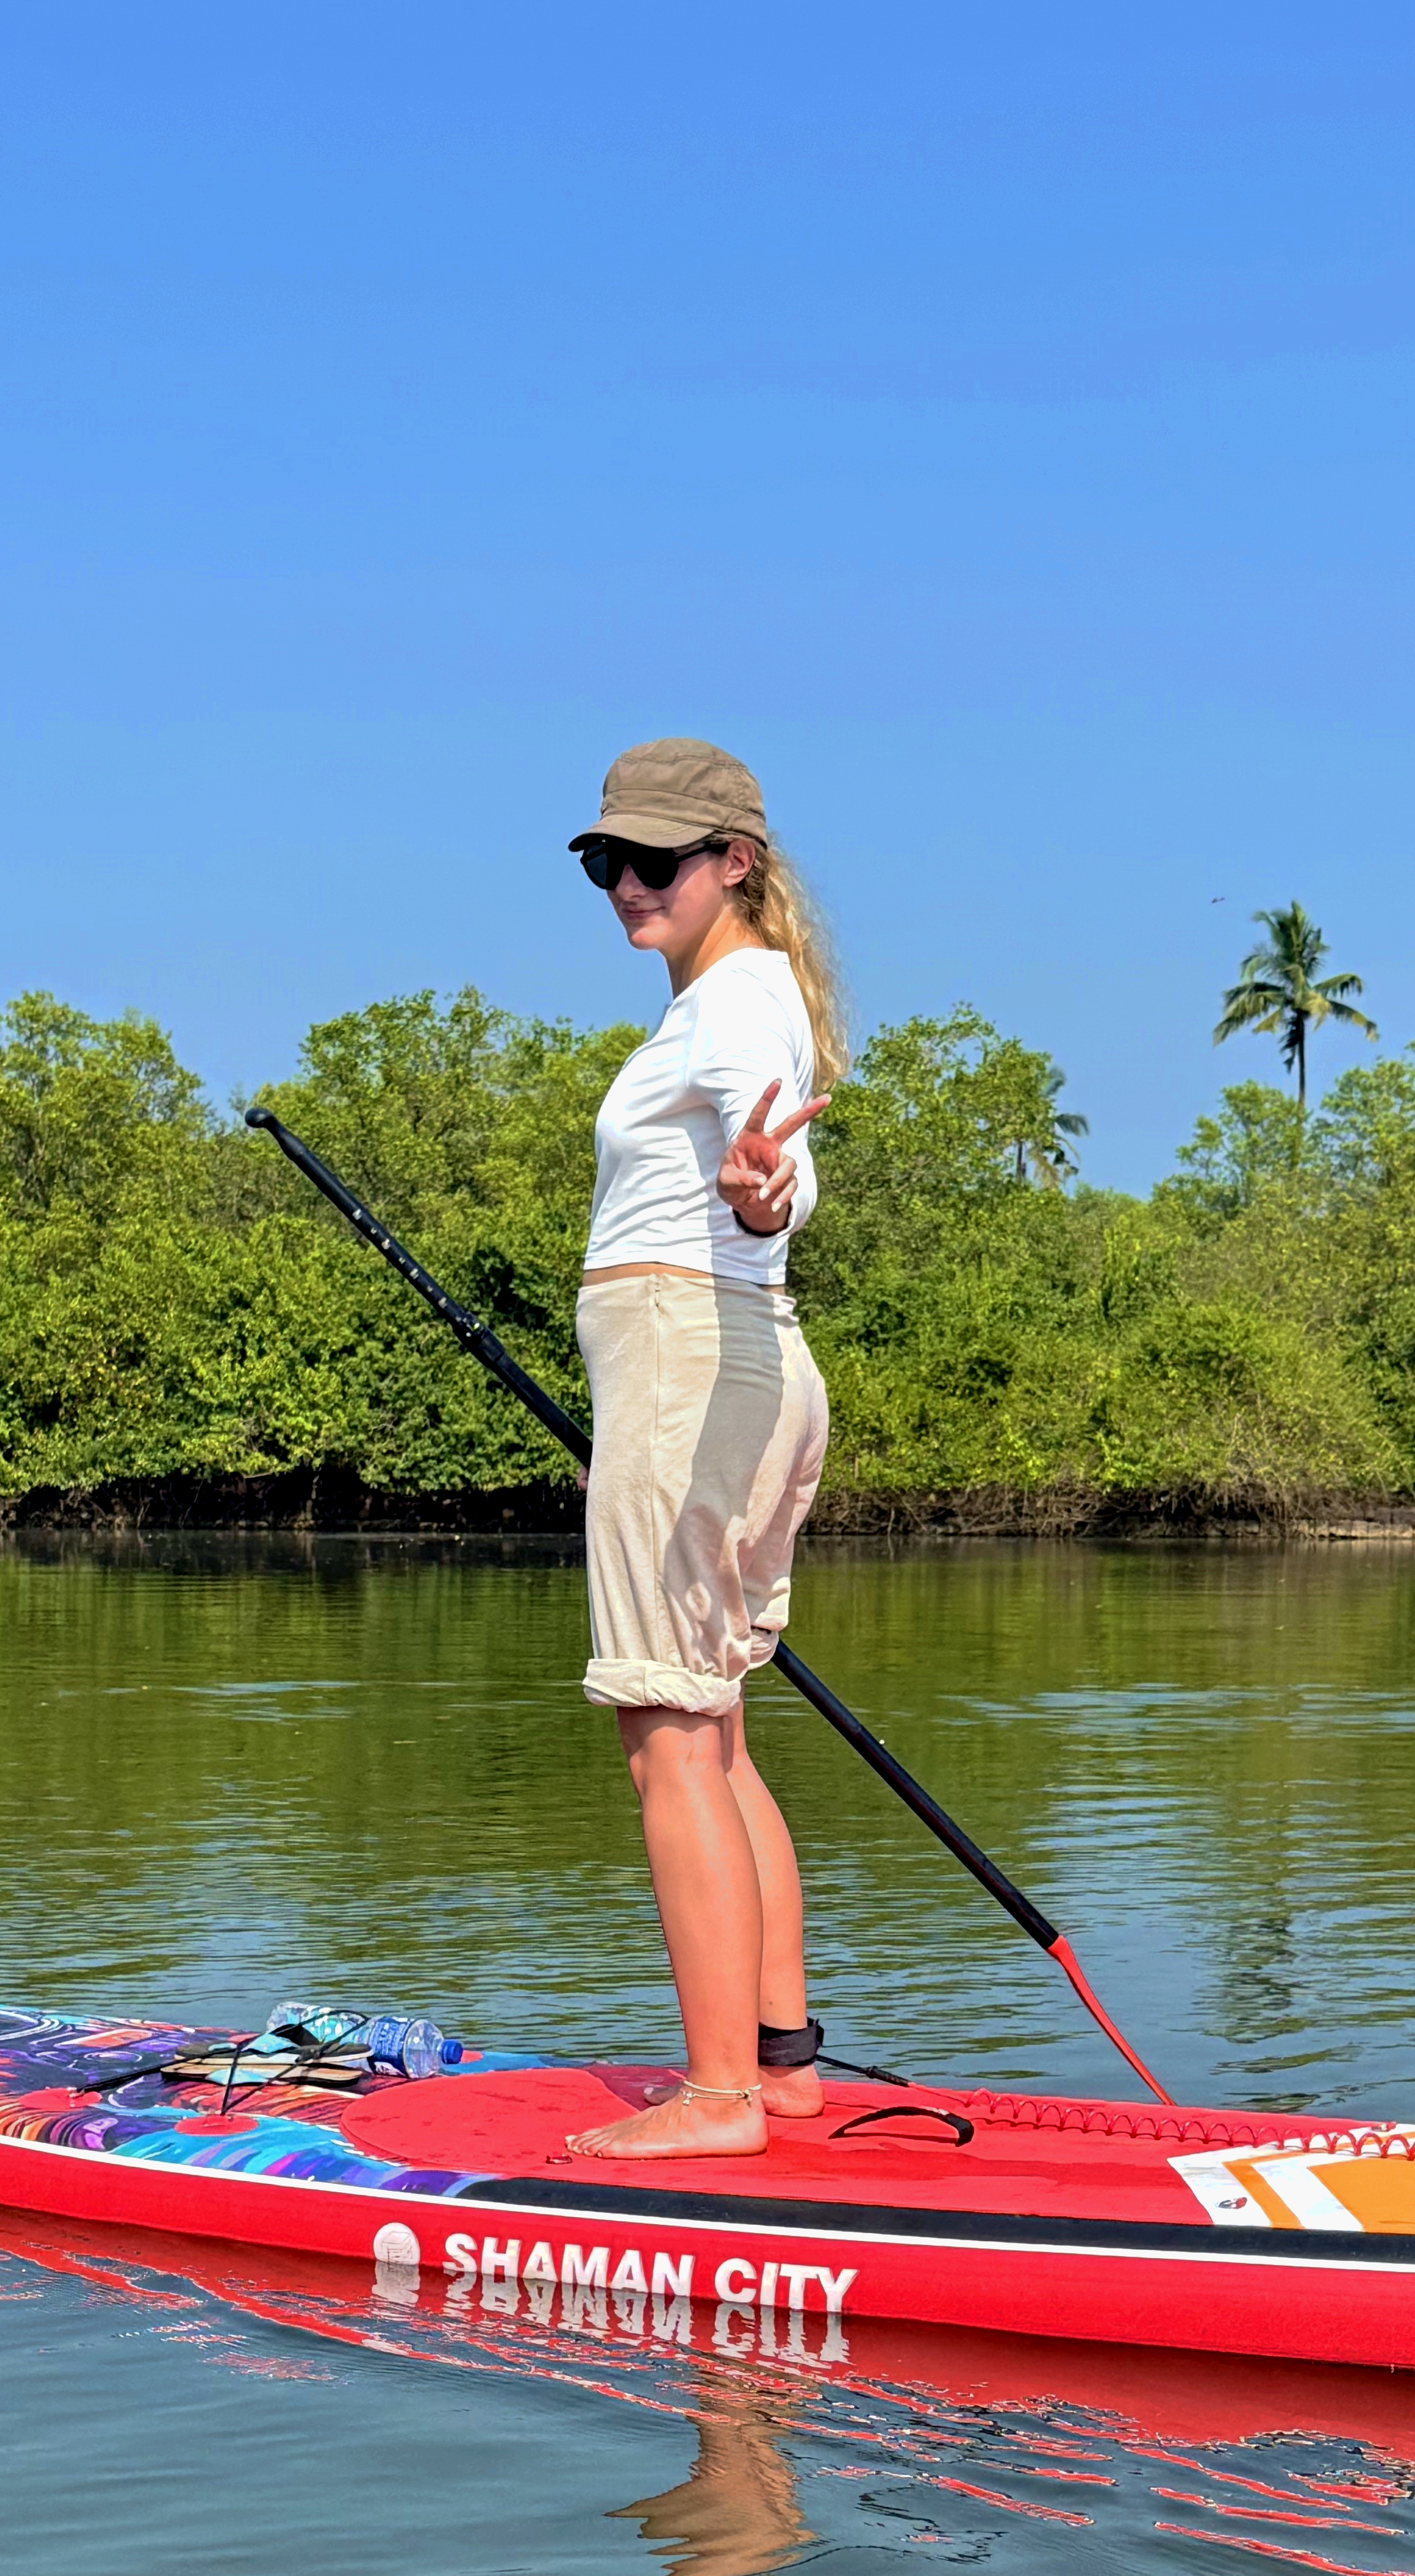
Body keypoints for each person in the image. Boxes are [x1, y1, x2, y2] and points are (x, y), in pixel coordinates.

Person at [562, 737, 847, 2163]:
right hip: (737, 1363)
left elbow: (762, 1171)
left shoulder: (736, 1005)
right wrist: (749, 1207)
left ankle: (719, 2096)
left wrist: (754, 1195)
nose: (626, 884)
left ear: (733, 861)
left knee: (663, 1730)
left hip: (693, 1360)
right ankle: (782, 2063)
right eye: (605, 859)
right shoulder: (754, 994)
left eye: (656, 859)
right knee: (714, 1722)